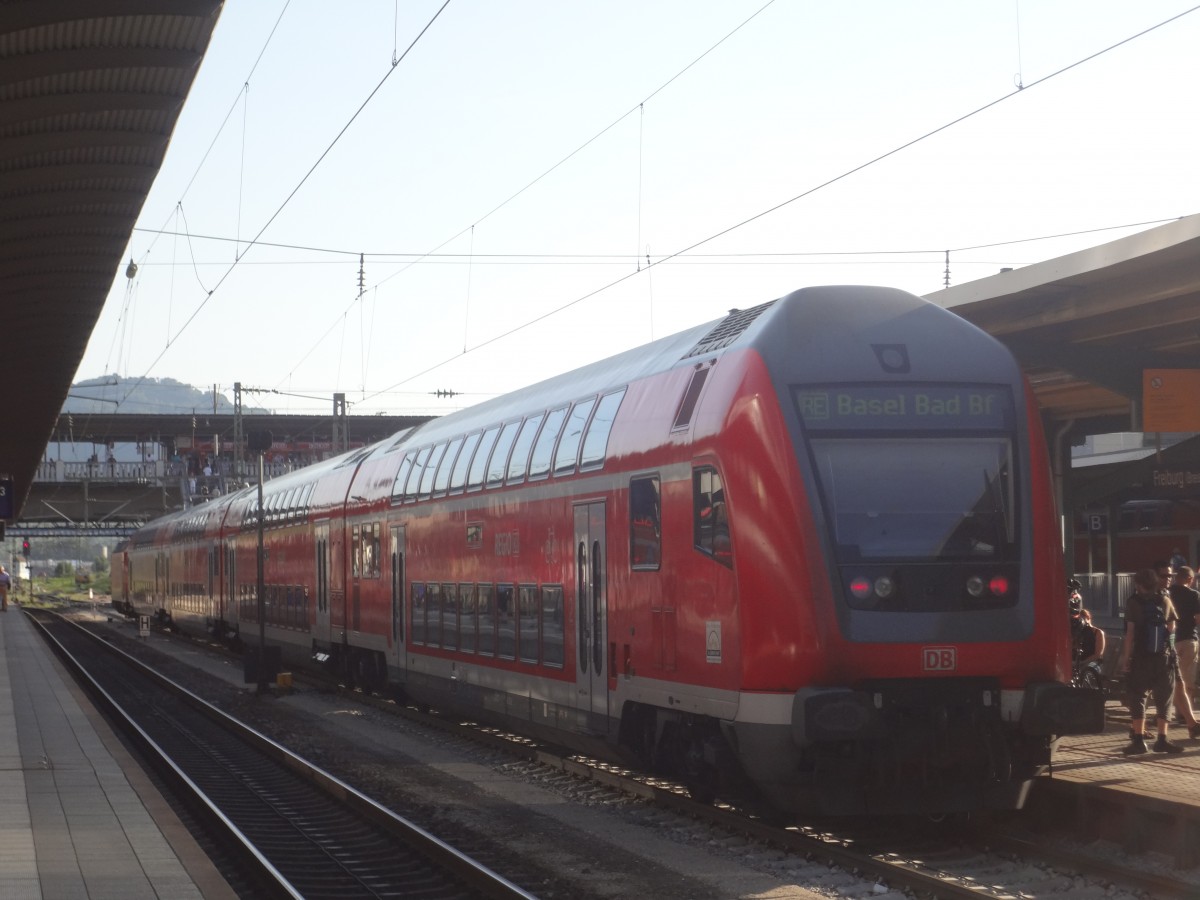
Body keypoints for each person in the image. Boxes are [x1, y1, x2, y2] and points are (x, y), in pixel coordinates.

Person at [1118, 567, 1187, 754]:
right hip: (1163, 657)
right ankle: (1162, 740)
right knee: (1165, 698)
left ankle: (1139, 740)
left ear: (1138, 585)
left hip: (1141, 656)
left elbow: (1130, 634)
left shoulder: (1133, 602)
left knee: (1137, 695)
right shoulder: (1165, 600)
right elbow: (1172, 628)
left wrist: (1126, 658)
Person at [1170, 565, 1200, 726]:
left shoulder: (1167, 593)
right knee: (1187, 680)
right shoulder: (1194, 594)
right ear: (1190, 579)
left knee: (1172, 678)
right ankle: (1183, 714)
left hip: (1171, 640)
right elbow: (1198, 618)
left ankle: (1173, 711)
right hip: (1189, 639)